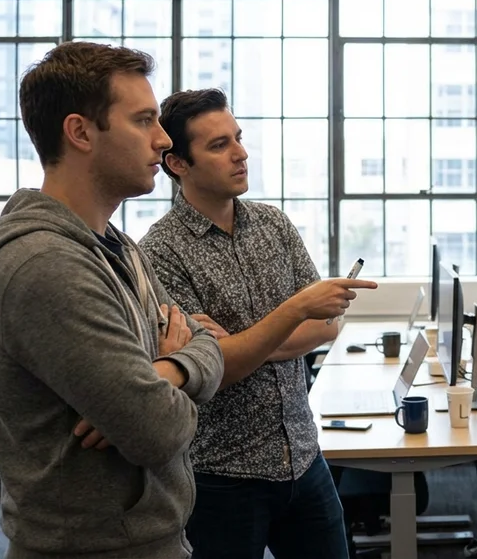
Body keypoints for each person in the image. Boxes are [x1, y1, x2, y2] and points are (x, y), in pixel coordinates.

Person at [0, 42, 373, 559]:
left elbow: (198, 349)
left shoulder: (119, 247)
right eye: (143, 121)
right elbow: (158, 426)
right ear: (80, 132)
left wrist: (174, 365)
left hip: (229, 490)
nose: (158, 140)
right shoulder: (49, 264)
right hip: (141, 518)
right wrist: (189, 365)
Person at [138, 88, 355, 559]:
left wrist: (237, 344)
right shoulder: (160, 251)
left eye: (237, 138)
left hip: (302, 455)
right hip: (221, 476)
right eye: (218, 145)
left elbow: (325, 327)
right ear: (178, 164)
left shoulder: (274, 225)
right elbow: (213, 370)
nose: (241, 153)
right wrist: (289, 316)